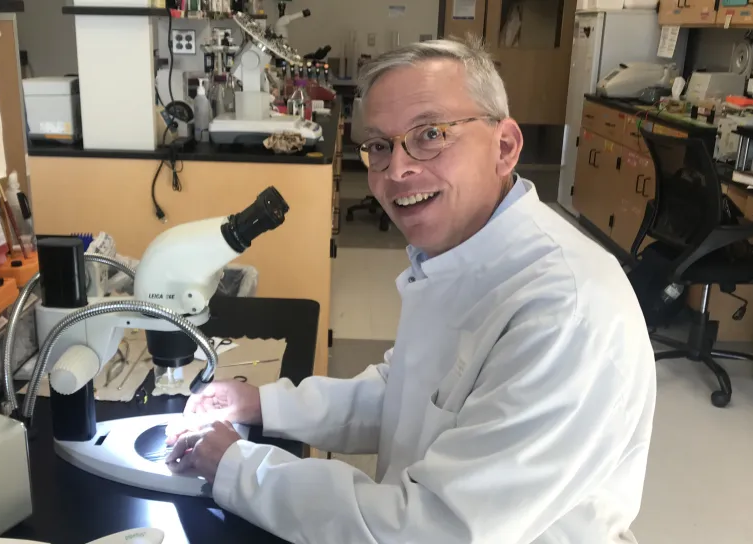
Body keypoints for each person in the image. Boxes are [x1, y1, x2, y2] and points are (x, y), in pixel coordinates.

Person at [164, 37, 656, 543]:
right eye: (379, 146)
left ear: (505, 147)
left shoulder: (563, 313)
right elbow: (405, 393)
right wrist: (263, 404)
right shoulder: (461, 255)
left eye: (431, 134)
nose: (397, 170)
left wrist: (237, 466)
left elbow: (430, 531)